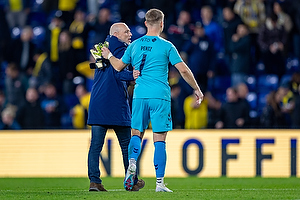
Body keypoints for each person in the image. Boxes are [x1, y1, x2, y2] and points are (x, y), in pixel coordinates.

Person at [101, 8, 203, 192]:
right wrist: (196, 89)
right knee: (160, 140)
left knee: (136, 134)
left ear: (146, 23)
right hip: (160, 96)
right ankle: (159, 184)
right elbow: (184, 70)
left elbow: (117, 67)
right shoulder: (167, 46)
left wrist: (108, 55)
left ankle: (132, 164)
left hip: (140, 95)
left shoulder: (135, 45)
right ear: (162, 24)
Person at [87, 22, 144, 192]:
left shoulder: (102, 49)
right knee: (127, 145)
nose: (130, 34)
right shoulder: (123, 50)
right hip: (116, 104)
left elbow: (104, 70)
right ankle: (132, 180)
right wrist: (132, 76)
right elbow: (118, 74)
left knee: (96, 146)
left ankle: (94, 182)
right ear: (116, 34)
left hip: (97, 103)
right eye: (126, 31)